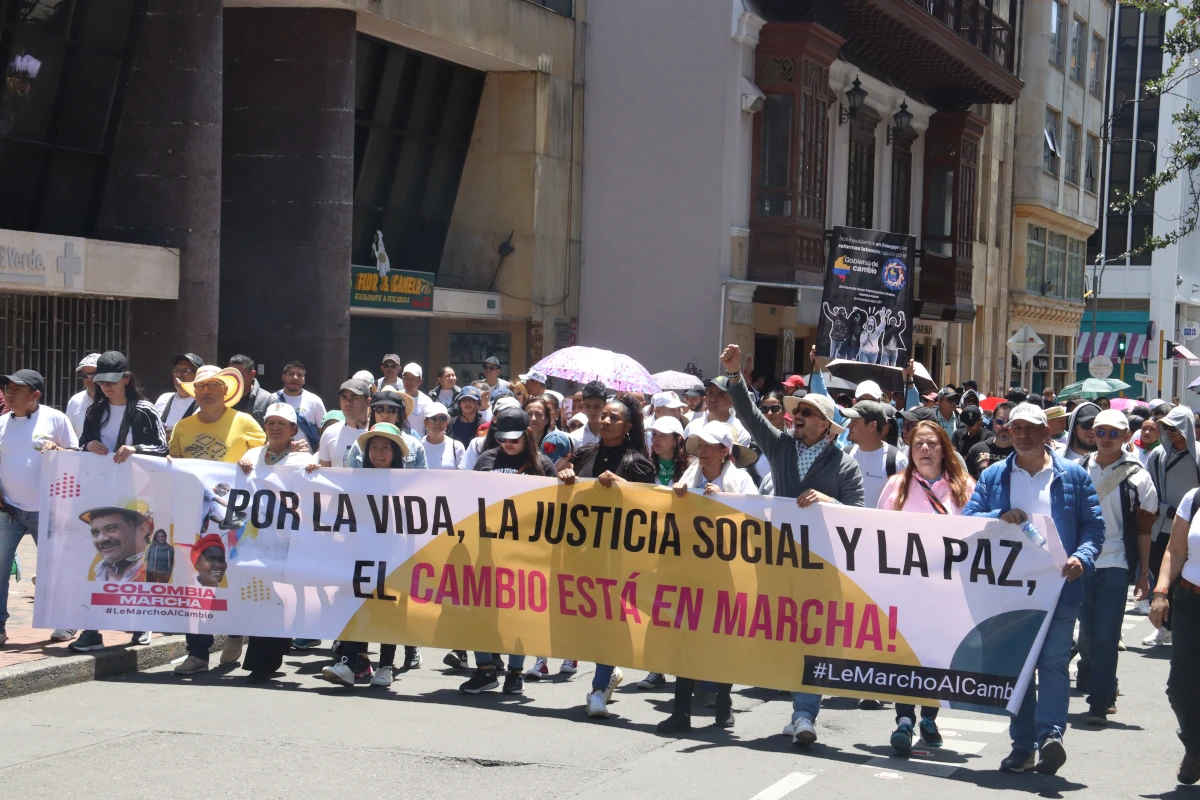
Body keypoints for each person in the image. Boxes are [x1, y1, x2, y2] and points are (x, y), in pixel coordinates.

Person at [719, 343, 863, 747]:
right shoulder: (781, 447)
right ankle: (783, 700)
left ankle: (804, 713)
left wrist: (830, 502)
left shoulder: (844, 465)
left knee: (813, 639)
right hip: (778, 562)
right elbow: (748, 414)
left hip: (821, 567)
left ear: (825, 425)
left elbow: (859, 515)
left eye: (805, 414)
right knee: (783, 635)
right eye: (795, 412)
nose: (795, 417)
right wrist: (734, 376)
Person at [963, 403, 1104, 775]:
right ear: (1007, 432)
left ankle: (1050, 737)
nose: (1022, 434)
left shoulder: (1073, 476)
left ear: (1047, 432)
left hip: (1059, 587)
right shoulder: (994, 476)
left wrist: (1083, 558)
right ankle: (1022, 746)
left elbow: (1093, 527)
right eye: (1016, 428)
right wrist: (997, 517)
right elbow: (968, 520)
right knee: (1017, 667)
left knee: (1053, 662)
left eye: (1030, 428)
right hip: (1008, 591)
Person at [54, 352, 167, 651]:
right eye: (100, 380)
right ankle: (92, 629)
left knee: (136, 558)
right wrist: (87, 444)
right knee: (96, 559)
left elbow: (162, 447)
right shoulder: (94, 411)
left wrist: (135, 448)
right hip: (100, 495)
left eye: (112, 381)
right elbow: (83, 448)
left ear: (127, 380)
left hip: (137, 497)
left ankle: (141, 623)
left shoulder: (144, 410)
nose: (105, 386)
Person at [877, 420, 976, 753]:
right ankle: (904, 719)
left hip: (947, 590)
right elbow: (877, 532)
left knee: (937, 655)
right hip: (906, 588)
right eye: (918, 443)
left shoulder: (963, 487)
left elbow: (978, 534)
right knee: (905, 653)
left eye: (931, 443)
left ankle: (929, 717)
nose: (924, 449)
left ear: (943, 448)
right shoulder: (896, 486)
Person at [557, 396, 656, 716]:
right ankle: (609, 670)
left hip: (619, 555)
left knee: (610, 621)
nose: (606, 421)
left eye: (614, 418)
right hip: (582, 552)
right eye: (603, 416)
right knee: (588, 621)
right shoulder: (584, 454)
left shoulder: (637, 462)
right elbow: (563, 495)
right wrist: (564, 475)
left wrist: (621, 484)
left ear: (628, 427)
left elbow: (649, 506)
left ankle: (598, 689)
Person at [168, 365, 266, 675]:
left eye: (213, 385)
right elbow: (174, 464)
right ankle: (197, 653)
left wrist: (255, 455)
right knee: (195, 581)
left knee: (232, 577)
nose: (206, 391)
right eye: (200, 386)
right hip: (194, 517)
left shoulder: (244, 422)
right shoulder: (182, 427)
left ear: (226, 390)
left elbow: (272, 453)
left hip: (234, 518)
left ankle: (235, 633)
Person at [459, 406, 558, 696]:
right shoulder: (486, 459)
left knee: (518, 614)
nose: (508, 444)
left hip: (525, 553)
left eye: (514, 438)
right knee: (480, 609)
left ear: (528, 435)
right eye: (503, 438)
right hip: (486, 549)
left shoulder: (544, 465)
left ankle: (515, 673)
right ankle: (485, 669)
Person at [1077, 409, 1157, 725]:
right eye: (1101, 432)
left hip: (1116, 564)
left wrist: (1143, 573)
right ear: (1091, 434)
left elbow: (1144, 529)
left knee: (1108, 635)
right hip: (1081, 562)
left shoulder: (1137, 476)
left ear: (1126, 437)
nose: (1106, 439)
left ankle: (1099, 701)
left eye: (1114, 433)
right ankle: (1104, 684)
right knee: (1087, 634)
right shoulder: (1079, 469)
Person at [322, 423, 413, 689]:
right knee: (356, 605)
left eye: (386, 447)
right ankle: (353, 663)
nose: (379, 452)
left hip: (394, 555)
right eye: (374, 447)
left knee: (388, 608)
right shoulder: (355, 480)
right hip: (360, 553)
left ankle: (386, 664)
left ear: (395, 452)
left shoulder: (408, 482)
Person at [235, 402, 321, 679]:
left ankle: (268, 657)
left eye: (281, 424)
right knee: (263, 597)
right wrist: (240, 468)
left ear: (293, 429)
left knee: (281, 597)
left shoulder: (300, 461)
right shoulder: (252, 455)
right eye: (270, 422)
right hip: (256, 541)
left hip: (288, 540)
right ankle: (263, 661)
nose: (274, 428)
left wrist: (313, 470)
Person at [0, 369, 78, 647]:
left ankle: (66, 622)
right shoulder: (1, 424)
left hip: (48, 510)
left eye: (17, 390)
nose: (9, 393)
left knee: (56, 569)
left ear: (35, 395)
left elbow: (76, 457)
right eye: (8, 388)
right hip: (8, 510)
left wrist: (57, 450)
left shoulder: (55, 418)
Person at [1148, 473, 1200, 785]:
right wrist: (1160, 592)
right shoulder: (1194, 499)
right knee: (1180, 689)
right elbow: (1176, 550)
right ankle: (1195, 747)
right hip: (1191, 602)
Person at [1144, 403, 1200, 647]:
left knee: (1186, 582)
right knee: (1162, 578)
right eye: (1166, 428)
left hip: (1192, 530)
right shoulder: (1157, 456)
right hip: (1162, 526)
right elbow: (1148, 490)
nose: (1170, 432)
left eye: (1175, 428)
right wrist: (1165, 509)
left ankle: (1182, 629)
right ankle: (1165, 628)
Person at [841, 400, 906, 509]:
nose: (849, 426)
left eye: (855, 421)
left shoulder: (897, 461)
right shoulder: (843, 455)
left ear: (872, 425)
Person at [346, 388, 427, 474]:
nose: (385, 415)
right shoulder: (358, 445)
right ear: (374, 415)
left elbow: (422, 482)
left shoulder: (415, 446)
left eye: (391, 410)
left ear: (399, 416)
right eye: (379, 409)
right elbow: (349, 481)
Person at [672, 421, 759, 497]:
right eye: (699, 444)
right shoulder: (688, 477)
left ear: (724, 452)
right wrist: (677, 492)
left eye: (708, 445)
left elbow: (752, 510)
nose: (700, 450)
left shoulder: (742, 480)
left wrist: (721, 498)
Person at [318, 378, 373, 468]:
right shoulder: (329, 433)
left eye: (354, 397)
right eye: (344, 397)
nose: (348, 402)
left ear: (368, 402)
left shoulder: (378, 432)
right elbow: (324, 473)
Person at [683, 377, 751, 446]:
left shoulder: (740, 433)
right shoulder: (692, 427)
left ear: (732, 400)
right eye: (710, 392)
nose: (713, 399)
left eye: (720, 394)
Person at [276, 361, 327, 448]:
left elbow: (324, 432)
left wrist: (319, 454)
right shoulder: (272, 399)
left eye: (299, 375)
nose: (295, 378)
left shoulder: (315, 401)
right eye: (291, 374)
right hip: (278, 457)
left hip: (307, 457)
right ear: (283, 377)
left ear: (304, 379)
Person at [154, 353, 202, 438]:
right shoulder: (164, 399)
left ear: (198, 375)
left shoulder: (203, 404)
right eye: (176, 370)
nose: (179, 375)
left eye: (186, 371)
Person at [966, 401, 1015, 479]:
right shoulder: (976, 449)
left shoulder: (1021, 453)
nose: (1004, 426)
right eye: (1000, 421)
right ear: (993, 423)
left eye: (1009, 422)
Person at [227, 355, 274, 427]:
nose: (235, 379)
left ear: (252, 374)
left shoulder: (268, 400)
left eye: (240, 375)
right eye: (232, 375)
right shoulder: (223, 398)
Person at [65, 353, 100, 436]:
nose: (89, 378)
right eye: (84, 375)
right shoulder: (75, 401)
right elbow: (68, 436)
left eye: (94, 374)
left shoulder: (115, 400)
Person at [421, 402, 464, 470]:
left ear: (447, 422)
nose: (437, 422)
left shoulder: (457, 447)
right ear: (425, 423)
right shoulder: (419, 446)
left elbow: (462, 476)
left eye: (442, 418)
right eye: (433, 419)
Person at [569, 380, 608, 449]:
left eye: (597, 407)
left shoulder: (613, 435)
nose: (592, 412)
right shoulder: (574, 438)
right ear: (583, 404)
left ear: (605, 405)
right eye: (588, 407)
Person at [401, 362, 433, 437]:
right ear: (402, 379)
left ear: (420, 381)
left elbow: (430, 428)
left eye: (413, 378)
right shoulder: (396, 396)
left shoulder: (427, 402)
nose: (408, 381)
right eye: (406, 377)